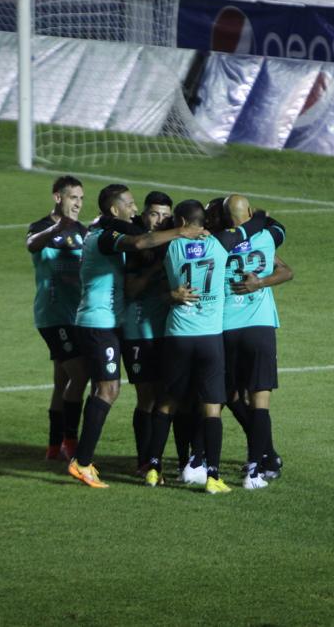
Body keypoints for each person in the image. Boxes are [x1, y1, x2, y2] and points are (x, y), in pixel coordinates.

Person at [67, 185, 206, 488]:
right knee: (107, 390)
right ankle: (81, 460)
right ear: (114, 210)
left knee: (108, 389)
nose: (134, 210)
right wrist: (181, 232)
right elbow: (141, 241)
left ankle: (84, 459)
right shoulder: (106, 236)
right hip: (98, 323)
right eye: (130, 205)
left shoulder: (102, 231)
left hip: (106, 323)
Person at [142, 199, 271, 493]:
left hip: (178, 333)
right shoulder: (221, 242)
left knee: (166, 402)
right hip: (210, 337)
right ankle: (213, 476)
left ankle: (153, 468)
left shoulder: (170, 245)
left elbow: (146, 245)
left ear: (180, 221)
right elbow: (255, 224)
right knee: (212, 407)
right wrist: (259, 214)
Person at [221, 194, 292, 488]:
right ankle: (263, 461)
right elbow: (287, 271)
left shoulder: (218, 242)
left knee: (231, 395)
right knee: (257, 399)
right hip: (260, 327)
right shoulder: (266, 238)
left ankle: (264, 458)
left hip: (226, 326)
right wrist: (260, 282)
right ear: (248, 212)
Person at [26, 176, 89, 460]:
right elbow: (32, 245)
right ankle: (70, 441)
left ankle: (53, 446)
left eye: (80, 198)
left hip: (75, 315)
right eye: (73, 197)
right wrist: (56, 229)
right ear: (57, 197)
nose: (77, 203)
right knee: (80, 374)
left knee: (61, 381)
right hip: (53, 315)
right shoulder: (41, 227)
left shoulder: (83, 231)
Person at [120, 192, 174, 473]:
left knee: (167, 397)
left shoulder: (174, 245)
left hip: (167, 331)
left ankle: (157, 458)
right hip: (138, 329)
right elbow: (132, 290)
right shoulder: (137, 245)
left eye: (165, 216)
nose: (159, 220)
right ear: (144, 215)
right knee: (147, 398)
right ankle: (144, 460)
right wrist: (156, 267)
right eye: (154, 214)